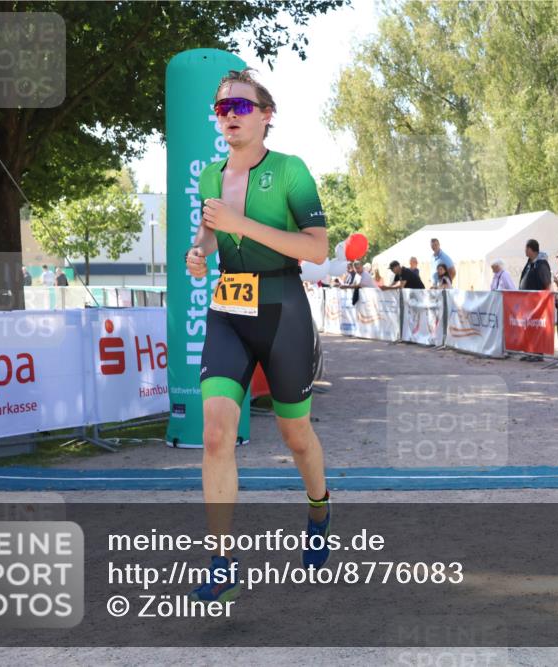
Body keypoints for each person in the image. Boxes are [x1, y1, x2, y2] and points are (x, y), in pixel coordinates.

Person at [184, 68, 330, 602]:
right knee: (217, 434)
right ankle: (221, 561)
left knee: (296, 437)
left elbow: (317, 249)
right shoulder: (208, 176)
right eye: (222, 109)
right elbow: (209, 233)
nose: (229, 117)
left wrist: (239, 225)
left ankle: (318, 506)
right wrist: (199, 255)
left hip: (282, 307)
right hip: (228, 308)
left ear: (266, 116)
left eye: (240, 108)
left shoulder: (291, 171)